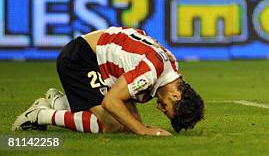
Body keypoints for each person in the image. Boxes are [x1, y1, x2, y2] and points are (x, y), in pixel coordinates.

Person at [12, 26, 204, 134]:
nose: (160, 108)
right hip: (81, 59)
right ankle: (40, 115)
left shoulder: (171, 66)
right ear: (177, 95)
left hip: (97, 57)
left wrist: (136, 126)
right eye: (166, 108)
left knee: (127, 125)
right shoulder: (151, 72)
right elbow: (111, 102)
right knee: (113, 125)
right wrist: (143, 130)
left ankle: (61, 103)